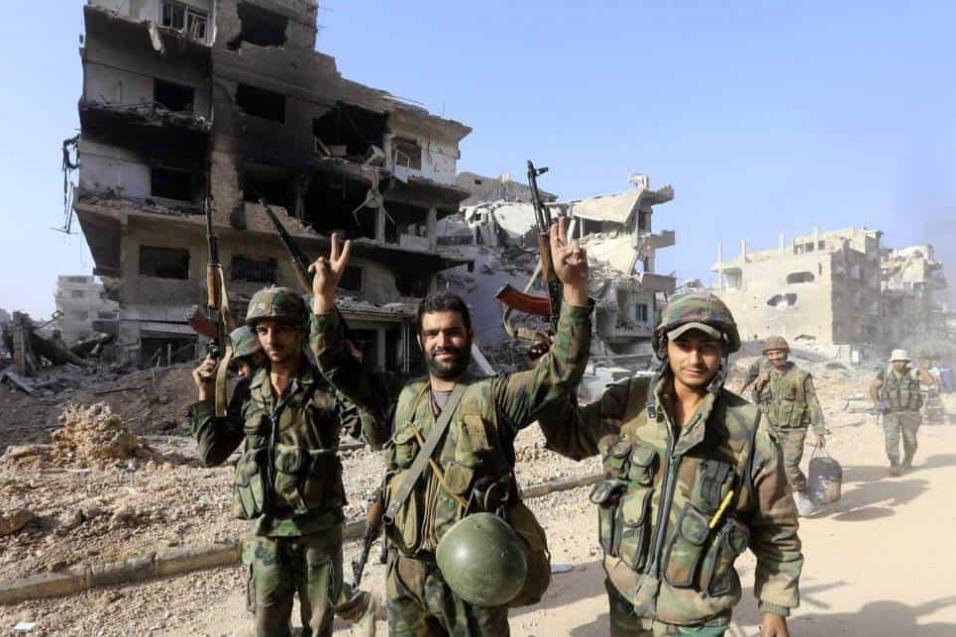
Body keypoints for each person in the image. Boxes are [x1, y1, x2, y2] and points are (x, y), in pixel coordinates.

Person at [308, 220, 592, 636]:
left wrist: (574, 289)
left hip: (474, 575)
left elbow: (562, 371)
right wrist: (324, 303)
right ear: (422, 341)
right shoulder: (400, 397)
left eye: (453, 332)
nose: (443, 341)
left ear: (469, 335)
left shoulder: (496, 397)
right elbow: (336, 366)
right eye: (433, 334)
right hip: (406, 574)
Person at [538, 292, 803, 637]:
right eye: (684, 344)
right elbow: (567, 437)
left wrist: (775, 609)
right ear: (666, 347)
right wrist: (549, 374)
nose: (694, 358)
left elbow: (777, 529)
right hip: (626, 599)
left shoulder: (747, 429)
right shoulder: (626, 403)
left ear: (722, 352)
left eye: (706, 346)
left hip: (697, 617)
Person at [187, 287, 387, 637]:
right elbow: (211, 453)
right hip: (267, 533)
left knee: (317, 626)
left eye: (280, 328)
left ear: (299, 331)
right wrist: (206, 393)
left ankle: (360, 606)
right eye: (262, 330)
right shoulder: (248, 390)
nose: (271, 338)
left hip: (318, 532)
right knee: (267, 627)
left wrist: (360, 384)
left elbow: (373, 437)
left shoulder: (326, 384)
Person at [751, 336, 825, 516]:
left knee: (790, 466)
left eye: (778, 353)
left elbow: (813, 402)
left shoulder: (801, 376)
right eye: (771, 354)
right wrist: (759, 384)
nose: (775, 357)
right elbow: (756, 400)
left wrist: (819, 431)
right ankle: (781, 498)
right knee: (772, 465)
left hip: (795, 428)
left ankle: (803, 492)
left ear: (786, 353)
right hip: (772, 427)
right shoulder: (766, 375)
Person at [869, 349, 935, 476]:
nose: (899, 363)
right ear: (892, 362)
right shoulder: (885, 373)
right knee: (891, 439)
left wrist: (919, 365)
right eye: (896, 361)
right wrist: (878, 403)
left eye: (902, 361)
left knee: (910, 440)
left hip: (910, 413)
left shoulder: (913, 372)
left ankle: (907, 460)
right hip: (890, 412)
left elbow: (929, 382)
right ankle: (894, 464)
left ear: (907, 362)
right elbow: (873, 387)